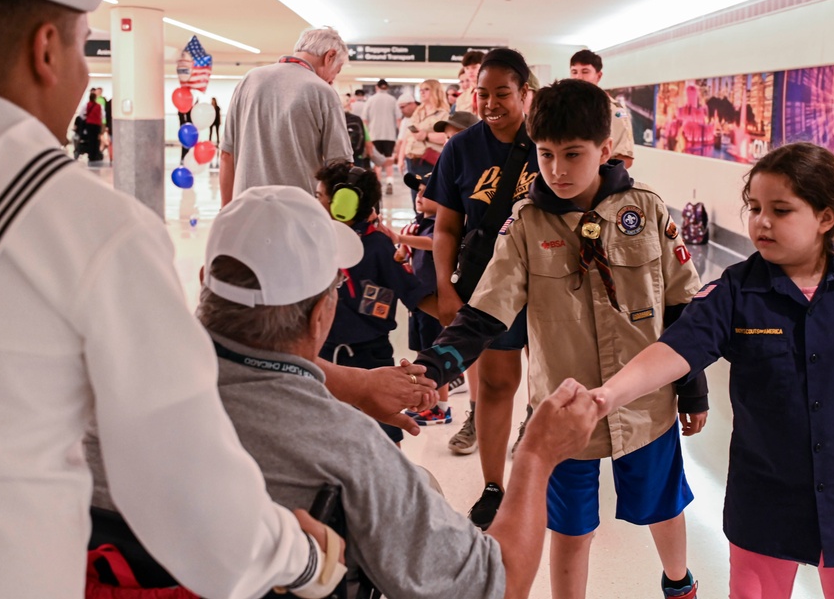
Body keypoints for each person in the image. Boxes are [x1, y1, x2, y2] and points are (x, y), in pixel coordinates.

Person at [0, 0, 343, 597]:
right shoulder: (87, 228)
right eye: (83, 47)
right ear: (46, 49)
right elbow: (190, 500)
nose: (82, 77)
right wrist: (303, 558)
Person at [188, 184, 600, 599]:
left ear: (205, 280)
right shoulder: (348, 450)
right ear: (321, 315)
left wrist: (353, 383)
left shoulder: (135, 377)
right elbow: (500, 585)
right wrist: (536, 455)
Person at [417, 79, 708, 599]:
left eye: (573, 154)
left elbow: (683, 306)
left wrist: (694, 389)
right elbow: (487, 311)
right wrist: (437, 364)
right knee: (571, 528)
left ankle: (679, 583)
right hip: (563, 409)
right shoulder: (527, 224)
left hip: (646, 406)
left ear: (606, 149)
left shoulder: (646, 212)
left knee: (663, 506)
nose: (557, 169)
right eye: (546, 154)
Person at [591, 142, 834, 599]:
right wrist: (607, 395)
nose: (761, 221)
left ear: (825, 218)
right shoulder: (736, 290)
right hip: (766, 501)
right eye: (753, 207)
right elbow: (676, 349)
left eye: (781, 209)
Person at [423, 48, 539, 526]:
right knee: (496, 384)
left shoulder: (548, 139)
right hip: (490, 285)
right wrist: (446, 291)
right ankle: (494, 485)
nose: (491, 104)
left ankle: (549, 478)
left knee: (555, 384)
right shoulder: (462, 148)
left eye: (503, 94)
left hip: (554, 283)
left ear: (525, 94)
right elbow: (446, 227)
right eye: (483, 94)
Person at [313, 161, 437, 445]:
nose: (316, 201)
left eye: (320, 196)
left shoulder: (379, 246)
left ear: (344, 201)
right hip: (325, 356)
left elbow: (412, 292)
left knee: (383, 437)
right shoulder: (319, 240)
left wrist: (456, 319)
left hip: (372, 358)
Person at [218, 26, 353, 206]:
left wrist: (227, 212)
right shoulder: (323, 92)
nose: (333, 78)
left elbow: (227, 154)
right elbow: (340, 166)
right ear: (330, 56)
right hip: (299, 211)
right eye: (338, 69)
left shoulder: (249, 80)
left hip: (246, 210)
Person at [379, 171, 459, 426]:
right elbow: (402, 256)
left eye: (428, 192)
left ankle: (441, 407)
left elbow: (430, 243)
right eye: (419, 191)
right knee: (421, 351)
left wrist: (400, 238)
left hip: (435, 300)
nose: (420, 196)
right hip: (418, 301)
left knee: (436, 352)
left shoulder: (442, 226)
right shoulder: (412, 226)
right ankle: (427, 402)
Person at [569, 48, 635, 169]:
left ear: (598, 76)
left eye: (585, 71)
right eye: (574, 72)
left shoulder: (615, 111)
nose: (578, 77)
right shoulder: (564, 107)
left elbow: (626, 158)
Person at [403, 78, 449, 186]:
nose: (422, 92)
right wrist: (401, 158)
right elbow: (408, 136)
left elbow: (447, 137)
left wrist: (426, 136)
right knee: (415, 196)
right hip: (411, 158)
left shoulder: (443, 114)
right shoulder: (418, 112)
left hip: (427, 160)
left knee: (427, 195)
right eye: (420, 90)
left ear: (435, 91)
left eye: (426, 89)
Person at [361, 78, 401, 194]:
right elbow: (398, 119)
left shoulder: (370, 100)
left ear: (376, 87)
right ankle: (389, 182)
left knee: (377, 161)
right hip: (389, 135)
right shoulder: (393, 100)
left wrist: (366, 136)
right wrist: (400, 137)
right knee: (388, 159)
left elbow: (364, 120)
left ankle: (378, 184)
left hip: (374, 135)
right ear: (387, 88)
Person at [453, 49, 485, 116]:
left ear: (483, 67)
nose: (470, 71)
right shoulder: (462, 98)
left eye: (474, 67)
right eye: (467, 68)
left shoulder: (493, 93)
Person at [84, 89, 103, 162]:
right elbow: (101, 116)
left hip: (89, 124)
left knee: (90, 139)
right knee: (96, 140)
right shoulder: (98, 106)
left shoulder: (87, 105)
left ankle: (90, 155)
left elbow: (82, 114)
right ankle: (95, 155)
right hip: (97, 124)